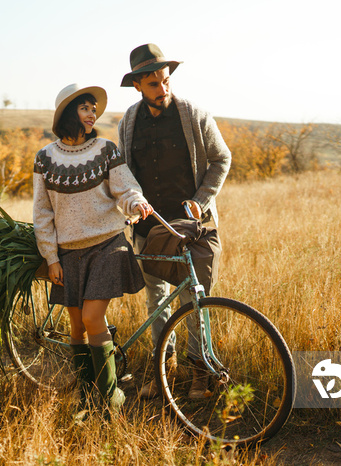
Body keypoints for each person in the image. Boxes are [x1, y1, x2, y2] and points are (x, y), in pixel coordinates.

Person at [118, 44, 231, 400]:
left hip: (191, 227)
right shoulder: (128, 123)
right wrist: (132, 205)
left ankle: (200, 373)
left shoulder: (194, 115)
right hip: (148, 229)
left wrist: (200, 202)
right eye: (153, 83)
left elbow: (221, 159)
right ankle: (164, 370)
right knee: (156, 300)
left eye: (165, 80)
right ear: (138, 84)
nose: (162, 89)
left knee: (194, 299)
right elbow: (123, 173)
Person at [33, 83, 153, 417]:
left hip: (107, 244)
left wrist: (136, 202)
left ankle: (112, 399)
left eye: (93, 108)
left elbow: (125, 188)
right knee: (76, 328)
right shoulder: (44, 159)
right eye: (85, 108)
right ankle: (87, 397)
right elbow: (42, 212)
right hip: (68, 253)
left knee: (91, 317)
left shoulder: (105, 149)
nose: (92, 114)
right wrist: (51, 258)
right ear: (70, 113)